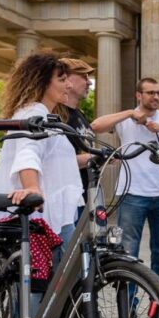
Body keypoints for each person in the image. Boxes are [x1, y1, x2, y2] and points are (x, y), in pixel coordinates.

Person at [0, 52, 85, 318]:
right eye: (61, 78)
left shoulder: (50, 114)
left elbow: (54, 158)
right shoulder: (34, 112)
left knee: (59, 281)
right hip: (43, 215)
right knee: (44, 283)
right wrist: (32, 187)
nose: (67, 83)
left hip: (58, 214)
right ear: (44, 81)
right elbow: (28, 152)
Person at [92, 78, 159, 288]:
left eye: (158, 93)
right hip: (132, 194)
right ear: (139, 95)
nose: (156, 97)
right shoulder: (127, 119)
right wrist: (129, 113)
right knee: (127, 251)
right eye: (150, 92)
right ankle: (129, 307)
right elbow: (96, 126)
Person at [60, 58, 95, 208]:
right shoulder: (55, 116)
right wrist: (96, 157)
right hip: (66, 200)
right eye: (84, 77)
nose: (89, 82)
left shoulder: (78, 114)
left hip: (83, 195)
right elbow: (57, 162)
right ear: (65, 78)